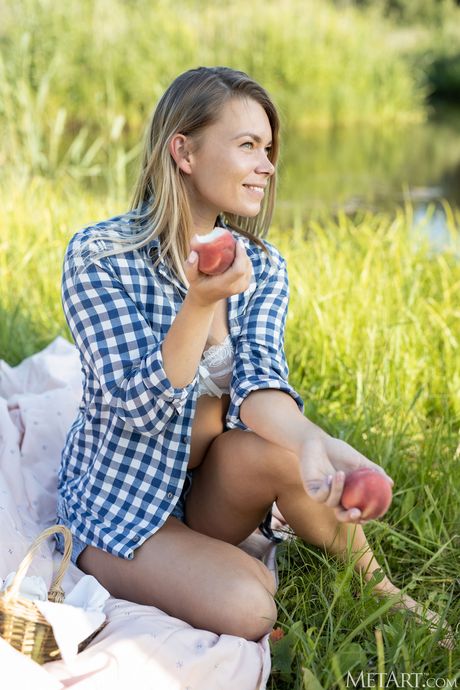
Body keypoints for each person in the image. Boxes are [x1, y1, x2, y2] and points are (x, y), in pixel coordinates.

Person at [55, 66, 452, 646]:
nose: (267, 165)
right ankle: (212, 579)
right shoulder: (100, 256)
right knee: (251, 607)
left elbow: (262, 386)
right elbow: (136, 408)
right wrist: (198, 305)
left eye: (268, 149)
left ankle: (382, 590)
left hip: (212, 492)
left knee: (290, 451)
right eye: (247, 146)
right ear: (183, 151)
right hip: (123, 504)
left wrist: (325, 447)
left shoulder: (261, 265)